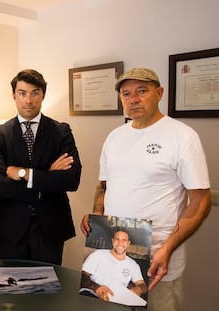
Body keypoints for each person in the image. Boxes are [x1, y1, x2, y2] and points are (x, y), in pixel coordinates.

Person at [80, 68, 212, 311]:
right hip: (112, 254)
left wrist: (168, 248)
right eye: (126, 94)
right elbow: (104, 184)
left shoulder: (182, 136)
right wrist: (96, 215)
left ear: (159, 93)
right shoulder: (115, 137)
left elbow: (201, 201)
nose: (134, 99)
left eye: (142, 91)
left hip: (157, 258)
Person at [0, 69, 82, 265]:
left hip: (50, 227)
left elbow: (72, 179)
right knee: (10, 289)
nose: (28, 100)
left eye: (35, 93)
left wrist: (23, 173)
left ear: (43, 95)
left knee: (48, 290)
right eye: (22, 93)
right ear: (13, 95)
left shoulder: (60, 131)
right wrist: (48, 177)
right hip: (10, 226)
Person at [81, 229, 147, 302]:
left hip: (118, 300)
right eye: (117, 239)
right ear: (112, 241)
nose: (120, 243)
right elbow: (82, 276)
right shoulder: (98, 254)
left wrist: (139, 289)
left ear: (128, 243)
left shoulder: (133, 265)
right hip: (92, 295)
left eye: (124, 240)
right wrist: (96, 287)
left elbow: (142, 285)